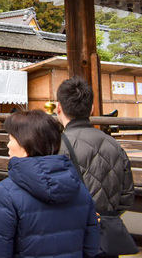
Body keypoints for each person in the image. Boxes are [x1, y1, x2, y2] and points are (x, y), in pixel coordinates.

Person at [0, 110, 99, 258]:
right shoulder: (79, 188)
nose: (8, 145)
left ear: (25, 145)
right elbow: (91, 248)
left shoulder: (6, 192)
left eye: (11, 139)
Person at [57, 77, 135, 258]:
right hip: (105, 238)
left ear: (58, 107)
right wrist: (104, 214)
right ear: (91, 108)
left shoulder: (56, 146)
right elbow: (127, 196)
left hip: (70, 236)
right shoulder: (114, 144)